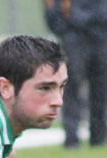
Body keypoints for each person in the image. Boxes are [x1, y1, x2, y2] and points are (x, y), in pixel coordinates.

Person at [44, 0, 107, 148]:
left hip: (101, 38)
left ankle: (99, 137)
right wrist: (65, 29)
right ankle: (71, 138)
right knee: (72, 87)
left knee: (100, 89)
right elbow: (53, 12)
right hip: (74, 38)